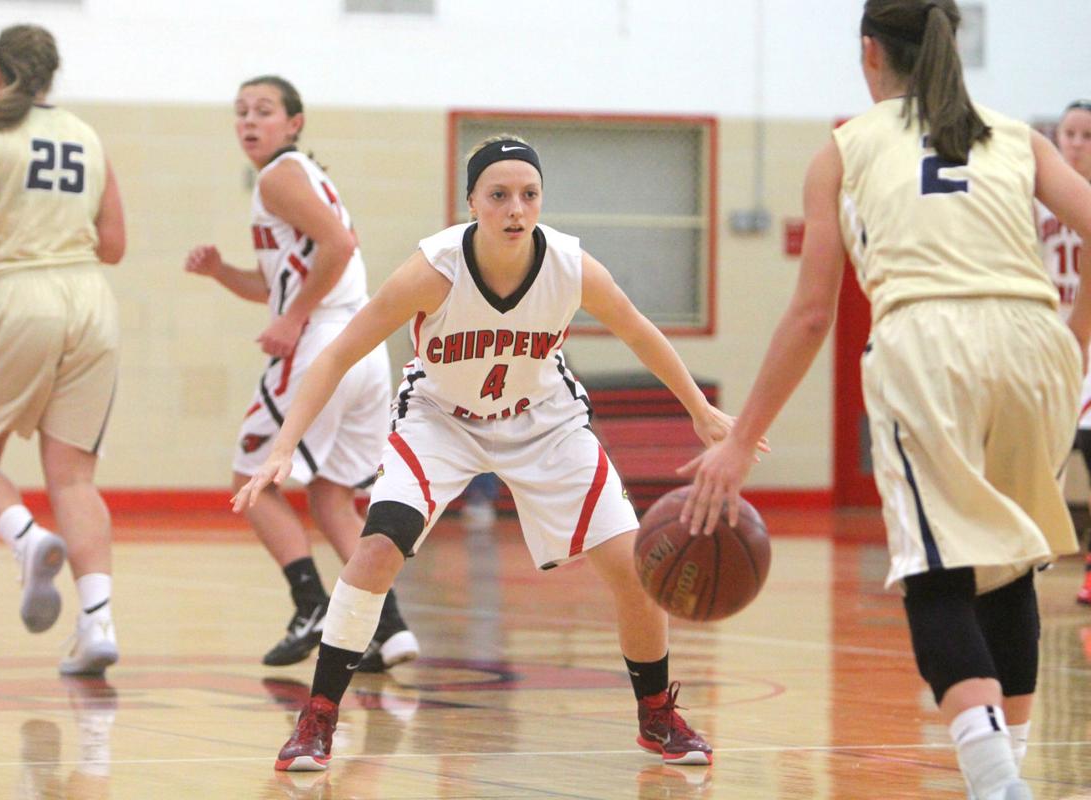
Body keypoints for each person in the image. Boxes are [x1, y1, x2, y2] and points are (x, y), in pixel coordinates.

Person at [234, 133, 759, 771]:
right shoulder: (434, 269)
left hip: (544, 421)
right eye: (500, 195)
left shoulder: (571, 265)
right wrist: (283, 447)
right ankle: (317, 718)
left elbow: (639, 332)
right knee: (377, 548)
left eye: (529, 195)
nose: (516, 209)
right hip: (439, 420)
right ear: (472, 203)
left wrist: (701, 412)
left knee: (636, 568)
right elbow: (338, 353)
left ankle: (657, 717)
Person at [680, 3, 1091, 799]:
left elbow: (810, 315)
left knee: (936, 570)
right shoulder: (1015, 135)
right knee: (1005, 567)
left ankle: (997, 782)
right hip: (1037, 344)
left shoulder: (846, 146)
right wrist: (1077, 334)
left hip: (928, 346)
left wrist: (739, 442)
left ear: (870, 52)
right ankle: (1010, 768)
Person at [185, 75, 417, 671]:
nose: (248, 121)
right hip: (363, 346)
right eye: (240, 112)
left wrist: (292, 319)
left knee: (250, 474)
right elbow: (277, 282)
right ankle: (389, 630)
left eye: (263, 110)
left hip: (325, 343)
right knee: (332, 495)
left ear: (294, 123)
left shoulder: (278, 176)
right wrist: (222, 274)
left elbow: (340, 245)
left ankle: (311, 604)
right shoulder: (301, 180)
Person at [0, 24, 127, 676]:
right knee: (74, 476)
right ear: (50, 77)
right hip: (91, 303)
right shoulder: (89, 136)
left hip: (17, 294)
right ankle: (97, 624)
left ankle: (27, 538)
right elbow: (115, 243)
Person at [1036, 98, 1091, 606]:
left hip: (1088, 340)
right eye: (1068, 133)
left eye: (1085, 135)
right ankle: (1027, 547)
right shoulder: (1034, 199)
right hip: (1044, 342)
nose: (1074, 143)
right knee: (1038, 453)